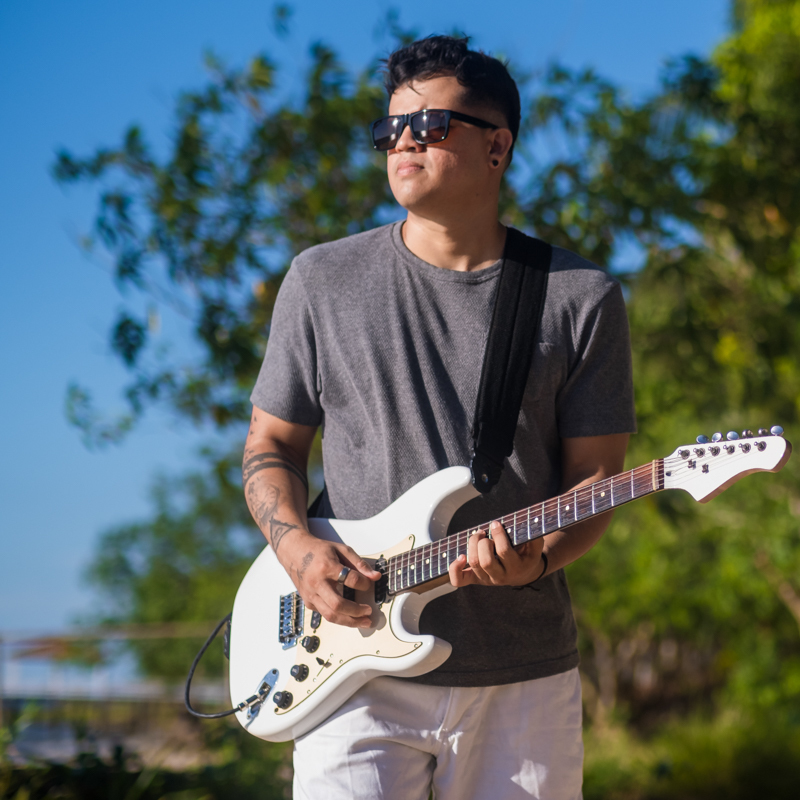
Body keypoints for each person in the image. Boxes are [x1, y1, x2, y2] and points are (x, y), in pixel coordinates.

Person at [241, 35, 635, 800]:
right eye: (390, 129)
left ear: (497, 147)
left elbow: (596, 480)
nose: (403, 143)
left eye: (428, 125)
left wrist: (537, 560)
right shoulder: (321, 280)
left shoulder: (580, 296)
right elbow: (272, 445)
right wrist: (297, 553)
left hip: (522, 677)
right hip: (349, 668)